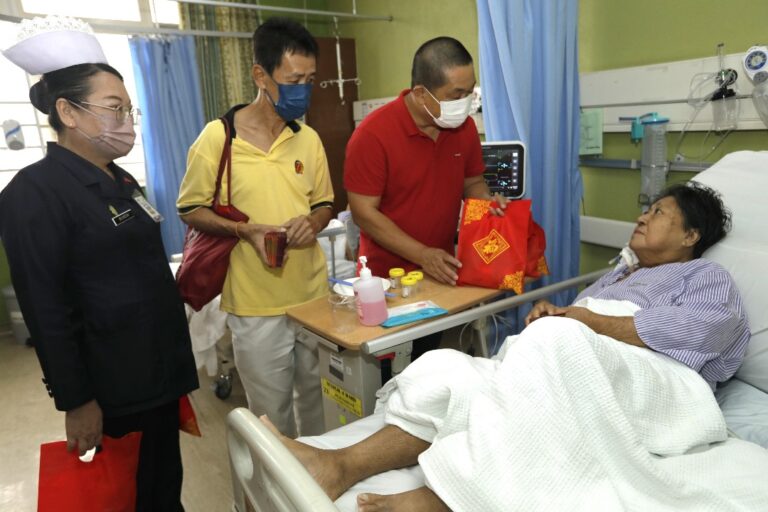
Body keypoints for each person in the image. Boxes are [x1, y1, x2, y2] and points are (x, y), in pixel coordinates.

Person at [264, 182, 754, 511]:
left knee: (554, 339)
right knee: (448, 369)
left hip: (662, 385)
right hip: (583, 361)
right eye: (647, 209)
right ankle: (339, 464)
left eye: (659, 212)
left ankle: (443, 500)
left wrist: (580, 323)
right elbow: (577, 328)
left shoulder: (705, 276)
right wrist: (556, 316)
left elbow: (707, 331)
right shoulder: (617, 277)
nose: (643, 217)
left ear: (691, 235)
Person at [0, 17, 198, 511]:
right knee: (128, 496)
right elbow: (45, 310)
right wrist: (77, 400)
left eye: (129, 109)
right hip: (112, 386)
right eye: (114, 108)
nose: (126, 120)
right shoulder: (34, 194)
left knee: (162, 489)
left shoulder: (118, 179)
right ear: (68, 112)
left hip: (155, 373)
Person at [176, 17, 333, 438]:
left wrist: (312, 222)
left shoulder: (308, 139)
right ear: (260, 76)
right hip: (255, 305)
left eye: (310, 80)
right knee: (271, 419)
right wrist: (244, 231)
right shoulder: (219, 138)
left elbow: (324, 203)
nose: (303, 89)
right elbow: (189, 208)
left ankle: (318, 477)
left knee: (319, 406)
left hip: (313, 297)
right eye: (294, 80)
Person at [344, 36, 505, 359]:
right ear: (421, 94)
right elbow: (363, 212)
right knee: (387, 367)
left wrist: (489, 204)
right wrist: (422, 254)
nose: (465, 102)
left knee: (426, 360)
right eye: (456, 95)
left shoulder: (463, 129)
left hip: (438, 272)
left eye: (470, 91)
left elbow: (473, 183)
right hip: (387, 283)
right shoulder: (373, 135)